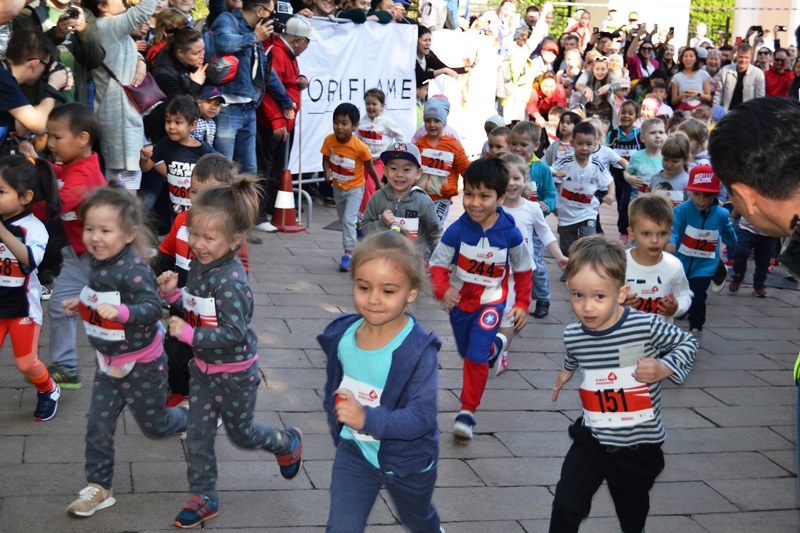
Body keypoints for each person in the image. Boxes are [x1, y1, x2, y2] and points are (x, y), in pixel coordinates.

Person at [157, 177, 303, 528]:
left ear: (235, 240)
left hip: (235, 373)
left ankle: (286, 441)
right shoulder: (199, 265)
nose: (198, 244)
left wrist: (189, 332)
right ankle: (204, 495)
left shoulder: (232, 281)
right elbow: (200, 308)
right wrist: (174, 297)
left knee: (242, 434)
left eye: (209, 238)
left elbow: (233, 333)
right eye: (195, 235)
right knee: (198, 433)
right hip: (204, 370)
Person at [550, 234, 698, 533]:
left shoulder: (645, 326)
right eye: (578, 295)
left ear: (621, 293)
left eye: (599, 296)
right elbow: (575, 352)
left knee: (632, 515)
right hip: (592, 438)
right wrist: (566, 371)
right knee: (566, 503)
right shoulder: (573, 333)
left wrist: (663, 366)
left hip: (638, 444)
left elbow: (688, 343)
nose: (587, 307)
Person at [64, 186, 188, 518]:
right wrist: (82, 304)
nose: (95, 237)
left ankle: (197, 414)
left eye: (105, 230)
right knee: (98, 424)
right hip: (107, 364)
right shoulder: (97, 263)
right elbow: (100, 296)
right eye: (90, 228)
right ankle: (99, 487)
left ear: (129, 233)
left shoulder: (135, 269)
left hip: (142, 365)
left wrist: (120, 314)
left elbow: (151, 308)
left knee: (156, 427)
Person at [318, 229, 441, 532]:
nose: (373, 300)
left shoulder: (417, 351)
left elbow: (422, 417)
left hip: (409, 461)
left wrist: (366, 418)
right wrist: (336, 413)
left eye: (388, 291)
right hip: (356, 452)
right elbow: (336, 382)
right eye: (363, 287)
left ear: (410, 292)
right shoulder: (343, 336)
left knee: (418, 520)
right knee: (341, 527)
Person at [429, 158, 533, 441]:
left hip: (492, 304)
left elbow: (524, 270)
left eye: (484, 196)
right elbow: (437, 264)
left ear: (500, 197)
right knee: (469, 352)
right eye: (469, 194)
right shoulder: (457, 230)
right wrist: (442, 288)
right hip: (459, 305)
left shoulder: (510, 233)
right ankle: (495, 348)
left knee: (474, 356)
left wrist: (522, 303)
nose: (475, 203)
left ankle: (467, 412)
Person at [151, 153, 247, 407]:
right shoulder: (182, 221)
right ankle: (181, 391)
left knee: (208, 359)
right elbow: (165, 253)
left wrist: (232, 301)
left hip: (214, 307)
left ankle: (209, 405)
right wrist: (152, 280)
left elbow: (241, 270)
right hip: (181, 299)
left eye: (208, 193)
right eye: (194, 191)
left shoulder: (230, 229)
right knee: (174, 352)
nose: (199, 199)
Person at [42, 104, 106, 389]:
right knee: (58, 305)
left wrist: (20, 196)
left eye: (57, 138)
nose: (50, 143)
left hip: (105, 259)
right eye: (50, 136)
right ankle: (66, 367)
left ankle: (155, 354)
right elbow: (58, 171)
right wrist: (38, 166)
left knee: (123, 311)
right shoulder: (72, 166)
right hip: (78, 255)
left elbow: (51, 207)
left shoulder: (83, 177)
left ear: (81, 139)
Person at [0, 155, 61, 420]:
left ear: (25, 197)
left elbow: (31, 260)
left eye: (1, 191)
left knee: (26, 362)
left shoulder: (34, 228)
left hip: (22, 307)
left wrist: (3, 233)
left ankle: (49, 389)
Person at [82, 0, 157, 190]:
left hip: (122, 114)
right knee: (124, 188)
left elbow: (128, 50)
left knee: (124, 183)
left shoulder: (110, 28)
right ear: (102, 7)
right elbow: (143, 11)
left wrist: (141, 61)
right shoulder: (108, 25)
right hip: (120, 118)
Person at [255, 15, 315, 233]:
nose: (307, 47)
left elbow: (287, 81)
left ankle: (271, 209)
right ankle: (260, 214)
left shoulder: (285, 52)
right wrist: (276, 120)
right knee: (265, 169)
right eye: (307, 42)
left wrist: (302, 80)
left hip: (281, 122)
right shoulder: (277, 52)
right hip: (272, 123)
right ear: (299, 40)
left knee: (276, 169)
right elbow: (268, 89)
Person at [496, 152, 567, 329]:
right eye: (505, 178)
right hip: (495, 270)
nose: (511, 183)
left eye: (516, 178)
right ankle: (496, 345)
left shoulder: (532, 208)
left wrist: (559, 257)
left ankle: (503, 348)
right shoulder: (493, 208)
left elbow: (545, 233)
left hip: (521, 272)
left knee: (510, 315)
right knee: (494, 312)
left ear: (525, 179)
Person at [206, 0, 275, 173]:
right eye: (270, 13)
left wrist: (286, 101)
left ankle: (247, 202)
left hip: (249, 107)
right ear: (259, 10)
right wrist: (254, 38)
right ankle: (218, 201)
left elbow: (265, 72)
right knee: (223, 168)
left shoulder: (254, 31)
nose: (272, 19)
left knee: (249, 170)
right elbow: (223, 42)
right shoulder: (228, 20)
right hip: (227, 107)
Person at [666, 165, 736, 335]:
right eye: (696, 194)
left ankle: (696, 326)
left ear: (715, 194)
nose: (701, 200)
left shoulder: (721, 214)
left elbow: (727, 232)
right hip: (681, 261)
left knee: (698, 295)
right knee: (676, 293)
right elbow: (673, 229)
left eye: (707, 195)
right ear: (690, 191)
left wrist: (731, 239)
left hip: (705, 264)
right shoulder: (681, 210)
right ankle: (675, 317)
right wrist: (670, 242)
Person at [322, 103, 381, 272]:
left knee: (347, 220)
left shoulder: (360, 147)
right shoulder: (329, 140)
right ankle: (359, 225)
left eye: (344, 123)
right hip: (337, 187)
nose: (339, 127)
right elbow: (326, 158)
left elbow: (369, 167)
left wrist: (378, 184)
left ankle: (348, 254)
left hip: (355, 188)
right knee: (344, 219)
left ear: (354, 126)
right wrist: (327, 171)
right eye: (336, 122)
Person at [12, 0, 105, 105]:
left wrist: (83, 30)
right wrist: (55, 34)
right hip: (36, 101)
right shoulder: (28, 12)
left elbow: (96, 60)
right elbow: (24, 58)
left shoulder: (84, 14)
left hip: (74, 101)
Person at [509, 121, 556, 318]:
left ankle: (542, 297)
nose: (518, 149)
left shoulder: (541, 169)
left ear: (536, 146)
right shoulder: (506, 165)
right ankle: (515, 297)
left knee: (534, 263)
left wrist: (547, 205)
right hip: (511, 225)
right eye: (514, 143)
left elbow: (551, 196)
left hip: (535, 227)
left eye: (523, 144)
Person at [362, 142, 442, 257]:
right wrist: (382, 223)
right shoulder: (377, 198)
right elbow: (365, 228)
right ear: (384, 170)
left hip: (415, 264)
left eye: (406, 169)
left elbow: (435, 234)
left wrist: (438, 263)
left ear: (418, 173)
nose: (399, 174)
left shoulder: (423, 201)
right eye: (393, 168)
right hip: (383, 262)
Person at [140, 96, 216, 214]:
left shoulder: (204, 150)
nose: (171, 126)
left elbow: (222, 170)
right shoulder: (165, 144)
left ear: (192, 126)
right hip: (175, 210)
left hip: (198, 212)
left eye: (178, 122)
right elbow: (146, 168)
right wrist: (144, 159)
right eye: (168, 121)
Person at [551, 122, 614, 264]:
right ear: (572, 143)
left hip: (588, 211)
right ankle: (569, 267)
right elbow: (549, 169)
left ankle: (586, 267)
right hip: (567, 212)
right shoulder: (566, 161)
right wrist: (557, 172)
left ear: (595, 144)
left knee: (589, 241)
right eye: (580, 144)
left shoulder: (596, 164)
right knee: (567, 245)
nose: (584, 148)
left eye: (589, 144)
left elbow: (609, 180)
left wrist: (610, 194)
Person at [624, 195, 691, 320]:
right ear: (631, 233)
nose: (654, 240)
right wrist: (619, 304)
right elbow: (602, 297)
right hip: (625, 337)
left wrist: (676, 307)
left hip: (662, 336)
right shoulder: (619, 264)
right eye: (646, 233)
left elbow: (684, 294)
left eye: (662, 233)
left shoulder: (674, 265)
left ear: (670, 232)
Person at [0, 29, 73, 141]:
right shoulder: (3, 79)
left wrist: (52, 90)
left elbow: (22, 129)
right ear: (34, 64)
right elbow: (38, 125)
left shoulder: (6, 76)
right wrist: (52, 88)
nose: (46, 70)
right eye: (46, 65)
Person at [414, 97, 469, 225]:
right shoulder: (419, 145)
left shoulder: (453, 146)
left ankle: (436, 245)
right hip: (421, 195)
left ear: (444, 122)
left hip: (442, 196)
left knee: (435, 226)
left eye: (436, 120)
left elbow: (466, 170)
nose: (432, 125)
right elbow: (410, 168)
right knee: (420, 227)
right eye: (428, 120)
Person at [148, 26, 206, 143]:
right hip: (165, 130)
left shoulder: (184, 56)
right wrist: (196, 84)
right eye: (196, 53)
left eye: (203, 50)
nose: (202, 56)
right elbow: (179, 107)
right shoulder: (164, 73)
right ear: (180, 53)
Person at [356, 88, 405, 219]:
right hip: (365, 160)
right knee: (362, 185)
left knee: (371, 185)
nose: (371, 107)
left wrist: (395, 153)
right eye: (368, 104)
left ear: (382, 106)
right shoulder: (362, 122)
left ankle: (364, 214)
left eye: (374, 104)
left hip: (379, 160)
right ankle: (373, 210)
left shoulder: (387, 122)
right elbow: (356, 138)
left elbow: (400, 137)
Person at [606, 100, 642, 241]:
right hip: (616, 174)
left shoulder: (639, 134)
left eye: (630, 113)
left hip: (632, 175)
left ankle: (626, 231)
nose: (626, 116)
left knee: (627, 202)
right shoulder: (614, 133)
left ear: (637, 116)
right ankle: (625, 229)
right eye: (623, 112)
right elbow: (606, 150)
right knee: (621, 201)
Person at [729, 209, 778, 298]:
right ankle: (738, 275)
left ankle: (759, 283)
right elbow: (740, 202)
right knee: (740, 251)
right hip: (746, 228)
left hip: (769, 233)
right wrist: (732, 216)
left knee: (763, 261)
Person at [713, 43, 765, 111]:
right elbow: (719, 93)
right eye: (741, 57)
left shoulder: (758, 73)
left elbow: (760, 99)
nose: (743, 60)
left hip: (747, 113)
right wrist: (716, 110)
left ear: (751, 57)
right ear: (736, 55)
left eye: (746, 57)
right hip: (727, 111)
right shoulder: (725, 70)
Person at [624, 118, 666, 201]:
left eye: (661, 132)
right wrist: (629, 178)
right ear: (642, 138)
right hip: (639, 201)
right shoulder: (636, 156)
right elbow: (627, 171)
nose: (658, 136)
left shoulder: (667, 157)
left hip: (659, 202)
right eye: (653, 133)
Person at [649, 134, 690, 207]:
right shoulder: (654, 178)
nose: (669, 164)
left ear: (685, 159)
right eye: (666, 159)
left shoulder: (687, 181)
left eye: (675, 161)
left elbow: (690, 208)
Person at [670, 47, 712, 111]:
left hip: (699, 110)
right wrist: (682, 96)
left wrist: (698, 94)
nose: (688, 59)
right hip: (682, 109)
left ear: (696, 59)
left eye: (691, 56)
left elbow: (708, 98)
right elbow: (673, 101)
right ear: (682, 59)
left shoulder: (703, 74)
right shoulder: (676, 77)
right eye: (685, 56)